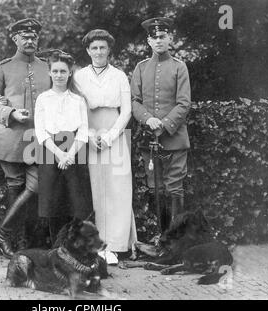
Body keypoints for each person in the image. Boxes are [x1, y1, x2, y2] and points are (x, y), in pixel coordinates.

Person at [0, 18, 50, 257]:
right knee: (14, 186)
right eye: (24, 37)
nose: (30, 41)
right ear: (15, 39)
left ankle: (3, 234)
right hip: (10, 140)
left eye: (33, 37)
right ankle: (14, 242)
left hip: (40, 140)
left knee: (38, 187)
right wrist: (9, 112)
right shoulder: (4, 67)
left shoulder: (48, 67)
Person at [74, 29, 137, 264]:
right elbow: (77, 109)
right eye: (94, 48)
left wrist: (110, 136)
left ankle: (117, 244)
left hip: (115, 132)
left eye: (103, 47)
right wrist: (90, 135)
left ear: (109, 50)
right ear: (88, 51)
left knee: (118, 187)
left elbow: (127, 111)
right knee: (94, 187)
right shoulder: (79, 76)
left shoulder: (119, 75)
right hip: (88, 132)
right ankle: (96, 244)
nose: (98, 52)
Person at [130, 17, 191, 235]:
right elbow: (134, 101)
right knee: (155, 189)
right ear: (148, 41)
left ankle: (177, 240)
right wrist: (148, 119)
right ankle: (162, 239)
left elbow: (184, 103)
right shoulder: (141, 68)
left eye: (162, 36)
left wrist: (164, 124)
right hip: (150, 140)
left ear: (169, 39)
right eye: (154, 37)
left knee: (174, 187)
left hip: (174, 139)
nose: (158, 40)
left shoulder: (179, 67)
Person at [34, 50, 93, 245]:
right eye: (55, 71)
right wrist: (59, 154)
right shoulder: (43, 98)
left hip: (75, 151)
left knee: (77, 202)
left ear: (70, 73)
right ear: (50, 73)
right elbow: (41, 131)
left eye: (63, 71)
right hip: (51, 151)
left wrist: (69, 155)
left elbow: (83, 131)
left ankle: (76, 248)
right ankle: (57, 248)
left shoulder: (78, 99)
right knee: (53, 201)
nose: (59, 75)